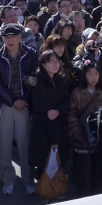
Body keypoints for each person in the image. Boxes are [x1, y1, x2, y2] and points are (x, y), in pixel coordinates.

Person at [0, 23, 37, 195]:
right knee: (5, 144)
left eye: (13, 36)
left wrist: (24, 100)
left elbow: (34, 79)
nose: (10, 40)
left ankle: (28, 180)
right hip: (5, 104)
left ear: (20, 37)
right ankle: (7, 179)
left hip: (24, 104)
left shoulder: (31, 54)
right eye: (6, 37)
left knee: (25, 144)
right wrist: (12, 100)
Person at [67, 60, 102, 196]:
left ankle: (95, 188)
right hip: (81, 133)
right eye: (90, 74)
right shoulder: (77, 92)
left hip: (97, 133)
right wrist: (75, 132)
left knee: (96, 164)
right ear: (84, 75)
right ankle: (82, 191)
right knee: (81, 166)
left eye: (96, 74)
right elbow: (71, 114)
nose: (94, 78)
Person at [28, 49, 70, 186]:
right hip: (43, 128)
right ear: (43, 64)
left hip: (60, 124)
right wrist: (54, 139)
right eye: (51, 62)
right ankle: (43, 191)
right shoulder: (37, 81)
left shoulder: (61, 79)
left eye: (56, 61)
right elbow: (42, 109)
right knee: (44, 163)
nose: (55, 64)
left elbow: (66, 101)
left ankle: (57, 189)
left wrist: (59, 111)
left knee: (59, 163)